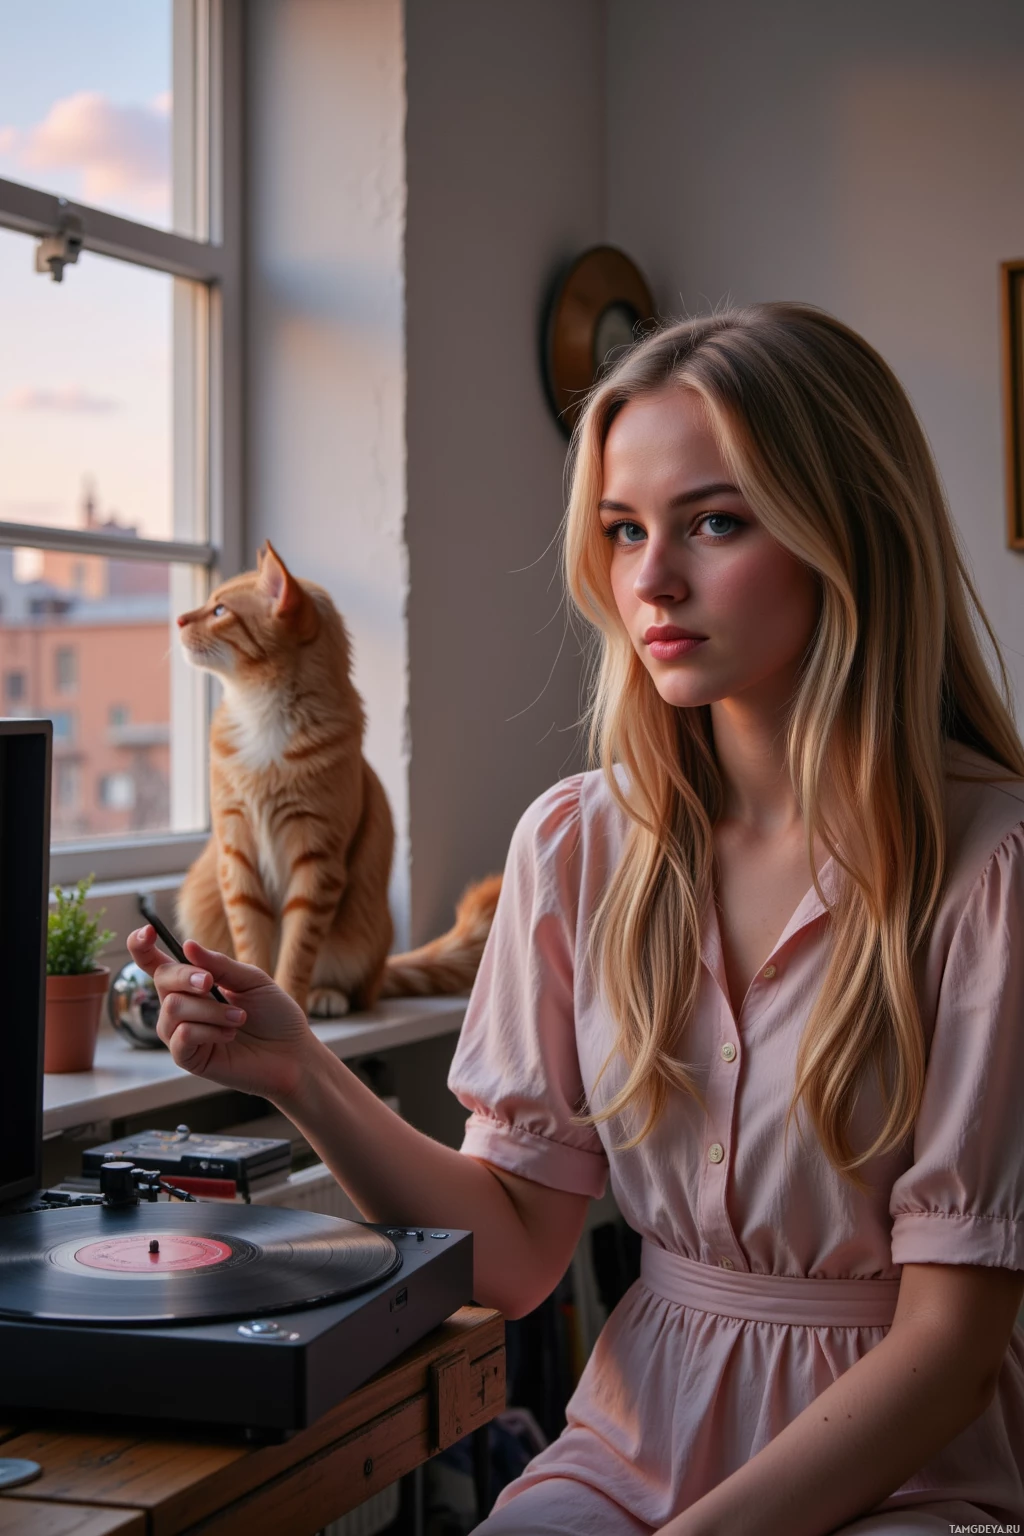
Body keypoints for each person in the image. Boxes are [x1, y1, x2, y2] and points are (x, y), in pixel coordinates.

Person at [127, 303, 1024, 1536]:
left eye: (715, 521)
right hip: (624, 1455)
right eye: (622, 530)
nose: (650, 580)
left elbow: (950, 1352)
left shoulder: (993, 868)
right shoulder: (575, 846)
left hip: (908, 1480)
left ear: (850, 530)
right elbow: (512, 1258)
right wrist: (300, 1072)